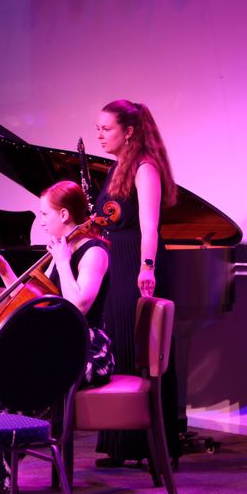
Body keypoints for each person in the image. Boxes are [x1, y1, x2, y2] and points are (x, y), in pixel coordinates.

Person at [0, 180, 114, 494]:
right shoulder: (60, 245)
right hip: (55, 342)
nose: (42, 220)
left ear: (64, 213)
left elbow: (77, 307)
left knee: (14, 381)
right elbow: (32, 299)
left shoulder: (94, 252)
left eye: (45, 213)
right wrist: (6, 271)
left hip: (86, 346)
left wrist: (62, 260)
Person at [93, 99, 179, 467]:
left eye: (106, 128)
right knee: (120, 345)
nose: (99, 135)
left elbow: (149, 227)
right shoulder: (117, 170)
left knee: (143, 350)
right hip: (117, 261)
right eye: (97, 128)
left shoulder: (145, 168)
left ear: (129, 131)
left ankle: (157, 447)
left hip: (135, 263)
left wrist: (147, 267)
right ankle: (121, 445)